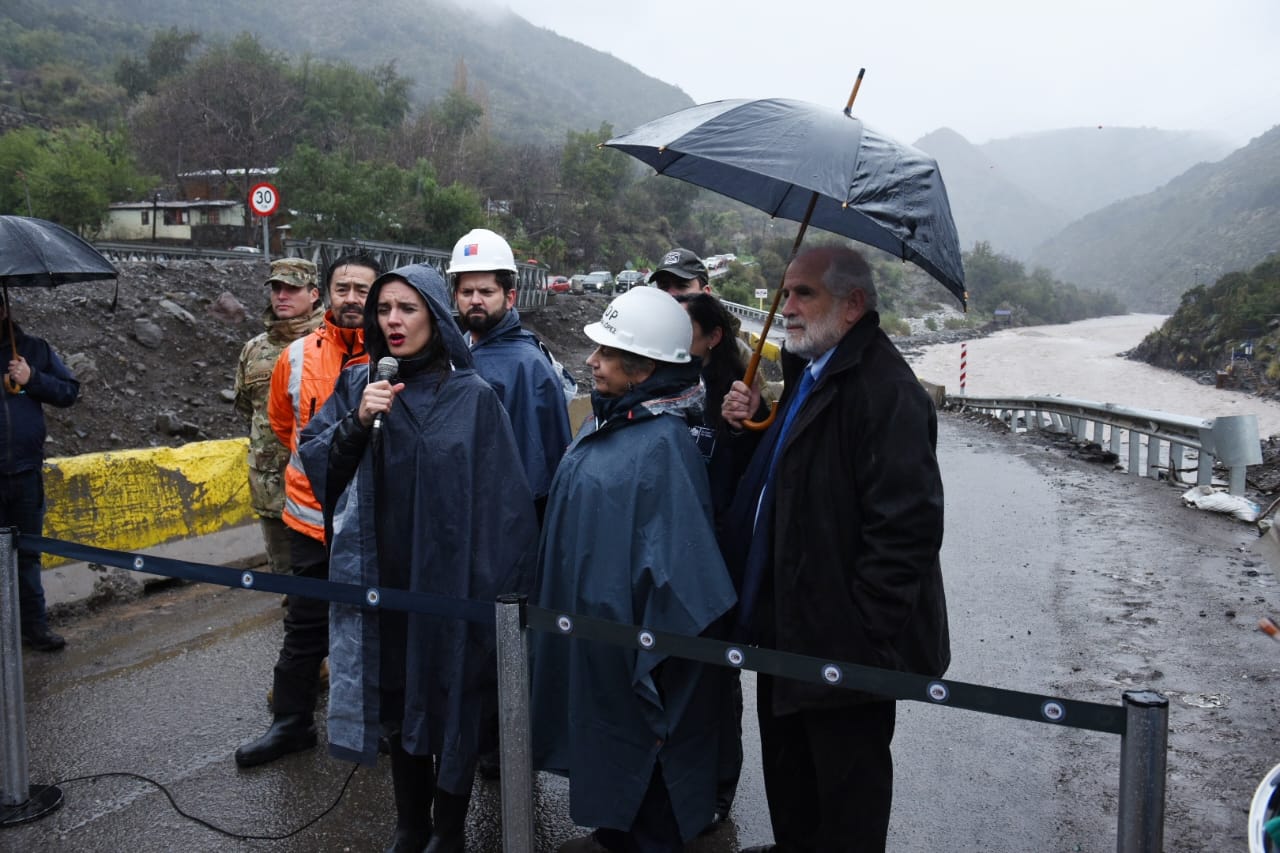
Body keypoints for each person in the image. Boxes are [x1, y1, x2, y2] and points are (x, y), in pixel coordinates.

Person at [298, 262, 538, 853]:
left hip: (454, 581)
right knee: (400, 697)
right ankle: (409, 824)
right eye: (384, 310)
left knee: (451, 696)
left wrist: (503, 593)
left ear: (434, 314)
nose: (393, 321)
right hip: (385, 577)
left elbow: (505, 502)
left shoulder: (474, 397)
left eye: (407, 308)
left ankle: (449, 831)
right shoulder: (360, 386)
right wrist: (357, 423)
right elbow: (315, 461)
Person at [720, 246, 950, 853]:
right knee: (792, 790)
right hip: (785, 629)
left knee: (847, 807)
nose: (786, 306)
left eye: (804, 294)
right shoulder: (809, 370)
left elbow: (908, 529)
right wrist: (756, 420)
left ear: (852, 305)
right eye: (785, 292)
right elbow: (786, 478)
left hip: (840, 650)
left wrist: (859, 638)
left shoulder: (886, 390)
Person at [532, 286, 737, 853]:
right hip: (597, 629)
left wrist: (644, 645)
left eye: (605, 353)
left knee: (642, 741)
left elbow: (682, 574)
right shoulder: (614, 423)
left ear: (643, 368)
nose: (591, 361)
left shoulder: (661, 446)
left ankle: (642, 838)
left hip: (627, 638)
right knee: (605, 735)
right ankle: (616, 831)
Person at [234, 252, 379, 768]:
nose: (353, 299)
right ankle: (291, 725)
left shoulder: (396, 357)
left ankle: (384, 725)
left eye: (364, 289)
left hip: (375, 525)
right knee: (304, 627)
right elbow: (281, 426)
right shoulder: (294, 358)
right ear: (327, 293)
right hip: (311, 521)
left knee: (379, 622)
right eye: (344, 288)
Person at [448, 227, 572, 522]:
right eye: (467, 292)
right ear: (455, 296)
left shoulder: (527, 365)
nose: (475, 300)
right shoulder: (456, 353)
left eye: (486, 292)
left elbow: (534, 470)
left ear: (510, 296)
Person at [233, 258, 324, 575]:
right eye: (276, 288)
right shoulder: (254, 350)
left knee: (324, 585)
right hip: (271, 487)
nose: (282, 295)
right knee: (285, 582)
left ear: (313, 293)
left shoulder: (333, 342)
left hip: (320, 491)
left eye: (292, 288)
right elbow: (249, 410)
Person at [0, 296, 79, 652]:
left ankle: (34, 627)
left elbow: (68, 392)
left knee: (28, 556)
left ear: (4, 309)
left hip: (26, 475)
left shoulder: (32, 349)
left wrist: (32, 378)